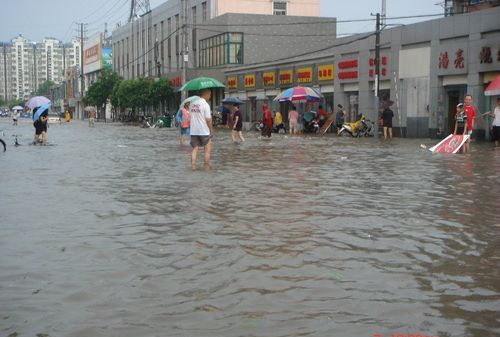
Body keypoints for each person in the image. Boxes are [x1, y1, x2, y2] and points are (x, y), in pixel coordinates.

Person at [189, 88, 213, 169]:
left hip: (193, 131)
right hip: (204, 131)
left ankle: (193, 166)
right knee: (207, 149)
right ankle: (206, 167)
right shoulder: (205, 104)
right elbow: (208, 120)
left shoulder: (192, 104)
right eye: (209, 94)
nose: (210, 96)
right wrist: (211, 130)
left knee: (195, 148)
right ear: (206, 94)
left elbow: (190, 117)